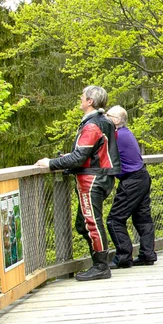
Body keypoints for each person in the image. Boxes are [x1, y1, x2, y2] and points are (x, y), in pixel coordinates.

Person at [34, 86, 117, 282]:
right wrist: (66, 158)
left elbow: (80, 157)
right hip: (100, 176)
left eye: (82, 97)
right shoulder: (104, 121)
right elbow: (90, 153)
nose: (79, 99)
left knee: (92, 223)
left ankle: (101, 266)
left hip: (92, 179)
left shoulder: (92, 125)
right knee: (83, 224)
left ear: (90, 101)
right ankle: (99, 263)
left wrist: (51, 163)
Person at [104, 106, 156, 268]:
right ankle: (147, 254)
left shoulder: (117, 136)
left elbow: (99, 153)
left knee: (114, 219)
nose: (105, 117)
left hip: (132, 180)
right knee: (142, 218)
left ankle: (123, 257)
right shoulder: (125, 133)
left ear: (117, 120)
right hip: (141, 176)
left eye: (108, 115)